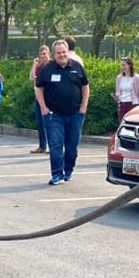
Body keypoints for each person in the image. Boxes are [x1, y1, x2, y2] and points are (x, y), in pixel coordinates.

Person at [34, 39, 89, 185]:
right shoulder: (47, 69)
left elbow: (85, 86)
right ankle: (57, 174)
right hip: (54, 115)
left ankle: (68, 170)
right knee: (56, 145)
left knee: (72, 146)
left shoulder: (77, 67)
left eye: (63, 52)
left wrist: (83, 107)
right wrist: (44, 108)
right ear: (54, 54)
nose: (61, 55)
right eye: (58, 53)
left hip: (75, 114)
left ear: (67, 52)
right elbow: (38, 87)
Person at [28, 47, 50, 153]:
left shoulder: (52, 65)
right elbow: (32, 78)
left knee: (50, 122)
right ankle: (42, 146)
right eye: (41, 54)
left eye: (44, 54)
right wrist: (34, 65)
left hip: (50, 98)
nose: (43, 56)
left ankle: (52, 146)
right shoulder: (39, 66)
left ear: (48, 54)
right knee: (40, 122)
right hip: (39, 98)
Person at [113, 56, 139, 121]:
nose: (122, 67)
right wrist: (116, 96)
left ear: (129, 65)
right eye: (121, 65)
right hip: (122, 105)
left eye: (124, 65)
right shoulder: (119, 78)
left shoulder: (137, 78)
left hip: (133, 105)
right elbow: (118, 92)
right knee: (122, 123)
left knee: (132, 123)